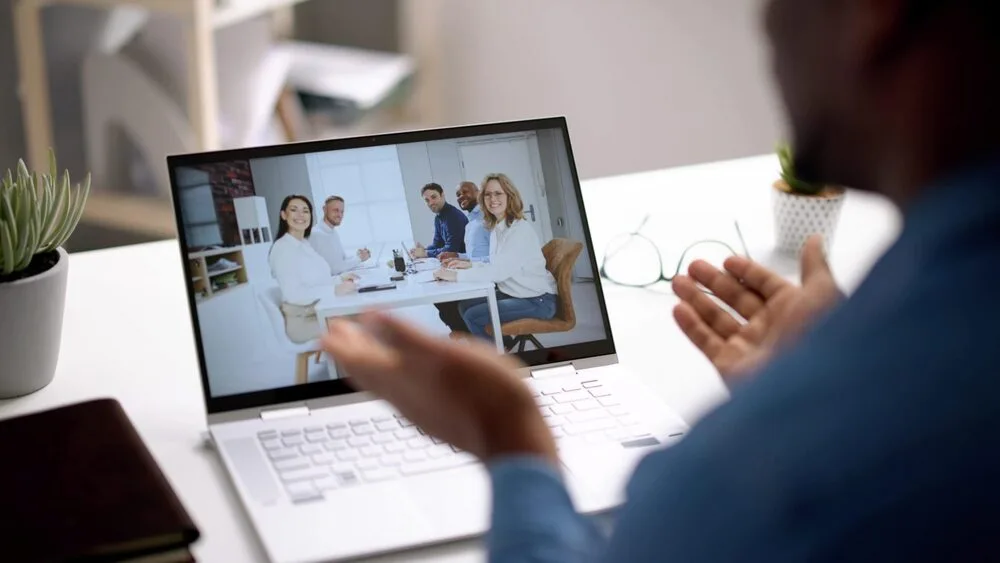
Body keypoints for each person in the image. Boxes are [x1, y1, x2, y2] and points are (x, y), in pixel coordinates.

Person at [321, 0, 1000, 561]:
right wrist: (839, 375)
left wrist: (512, 438)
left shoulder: (755, 488)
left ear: (872, 14)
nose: (763, 24)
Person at [433, 174, 558, 342]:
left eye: (498, 193)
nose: (492, 199)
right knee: (464, 306)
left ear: (509, 196)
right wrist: (467, 265)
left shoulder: (519, 230)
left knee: (472, 315)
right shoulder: (498, 227)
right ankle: (498, 346)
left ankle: (494, 359)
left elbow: (499, 272)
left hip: (537, 300)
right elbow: (494, 263)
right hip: (515, 292)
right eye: (487, 194)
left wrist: (455, 275)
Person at [268, 195, 358, 343]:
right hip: (303, 321)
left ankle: (350, 364)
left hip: (317, 311)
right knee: (360, 323)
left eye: (305, 211)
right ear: (284, 215)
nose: (300, 215)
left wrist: (339, 279)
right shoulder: (283, 248)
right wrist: (334, 290)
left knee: (365, 316)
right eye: (294, 210)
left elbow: (317, 281)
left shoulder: (304, 244)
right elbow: (294, 294)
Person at [435, 181, 491, 334]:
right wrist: (457, 256)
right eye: (458, 195)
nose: (461, 197)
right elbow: (476, 255)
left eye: (466, 192)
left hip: (487, 278)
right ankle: (467, 336)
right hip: (477, 271)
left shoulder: (488, 219)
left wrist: (466, 264)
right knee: (440, 297)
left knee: (448, 301)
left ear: (478, 192)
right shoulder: (471, 222)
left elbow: (496, 258)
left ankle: (470, 337)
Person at [309, 195, 371, 276]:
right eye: (336, 210)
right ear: (324, 209)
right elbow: (334, 268)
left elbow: (342, 259)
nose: (340, 215)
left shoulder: (332, 232)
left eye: (342, 211)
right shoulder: (317, 234)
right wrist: (359, 259)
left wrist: (359, 255)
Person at [409, 183, 468, 259]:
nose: (431, 203)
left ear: (442, 195)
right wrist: (422, 250)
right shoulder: (438, 218)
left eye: (434, 197)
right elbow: (437, 244)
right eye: (427, 200)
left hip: (463, 262)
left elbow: (451, 250)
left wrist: (425, 253)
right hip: (451, 262)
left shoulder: (453, 216)